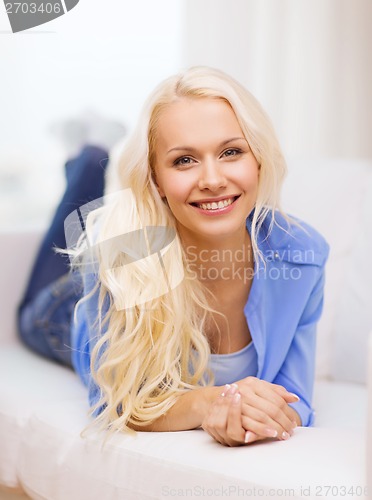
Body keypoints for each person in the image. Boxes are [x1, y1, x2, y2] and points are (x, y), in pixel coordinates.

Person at [18, 66, 329, 447]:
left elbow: (297, 397)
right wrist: (208, 403)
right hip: (63, 310)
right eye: (185, 160)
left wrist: (254, 416)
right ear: (156, 179)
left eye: (231, 152)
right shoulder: (123, 254)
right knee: (33, 303)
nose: (213, 180)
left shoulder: (303, 255)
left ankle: (86, 157)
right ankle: (87, 156)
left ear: (259, 159)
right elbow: (117, 402)